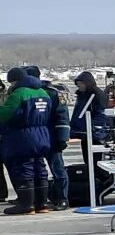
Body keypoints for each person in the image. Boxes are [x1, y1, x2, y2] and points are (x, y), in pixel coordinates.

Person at [1, 66, 54, 215]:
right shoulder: (43, 92)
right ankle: (42, 204)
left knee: (24, 168)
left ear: (16, 81)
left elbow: (6, 114)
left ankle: (26, 204)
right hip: (42, 134)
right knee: (40, 168)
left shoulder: (19, 94)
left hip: (24, 136)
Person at [26, 67, 70, 211]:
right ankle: (39, 199)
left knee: (58, 169)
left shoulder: (52, 94)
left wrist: (62, 138)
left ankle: (62, 198)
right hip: (35, 138)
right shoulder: (25, 94)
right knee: (36, 170)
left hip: (51, 137)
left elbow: (62, 117)